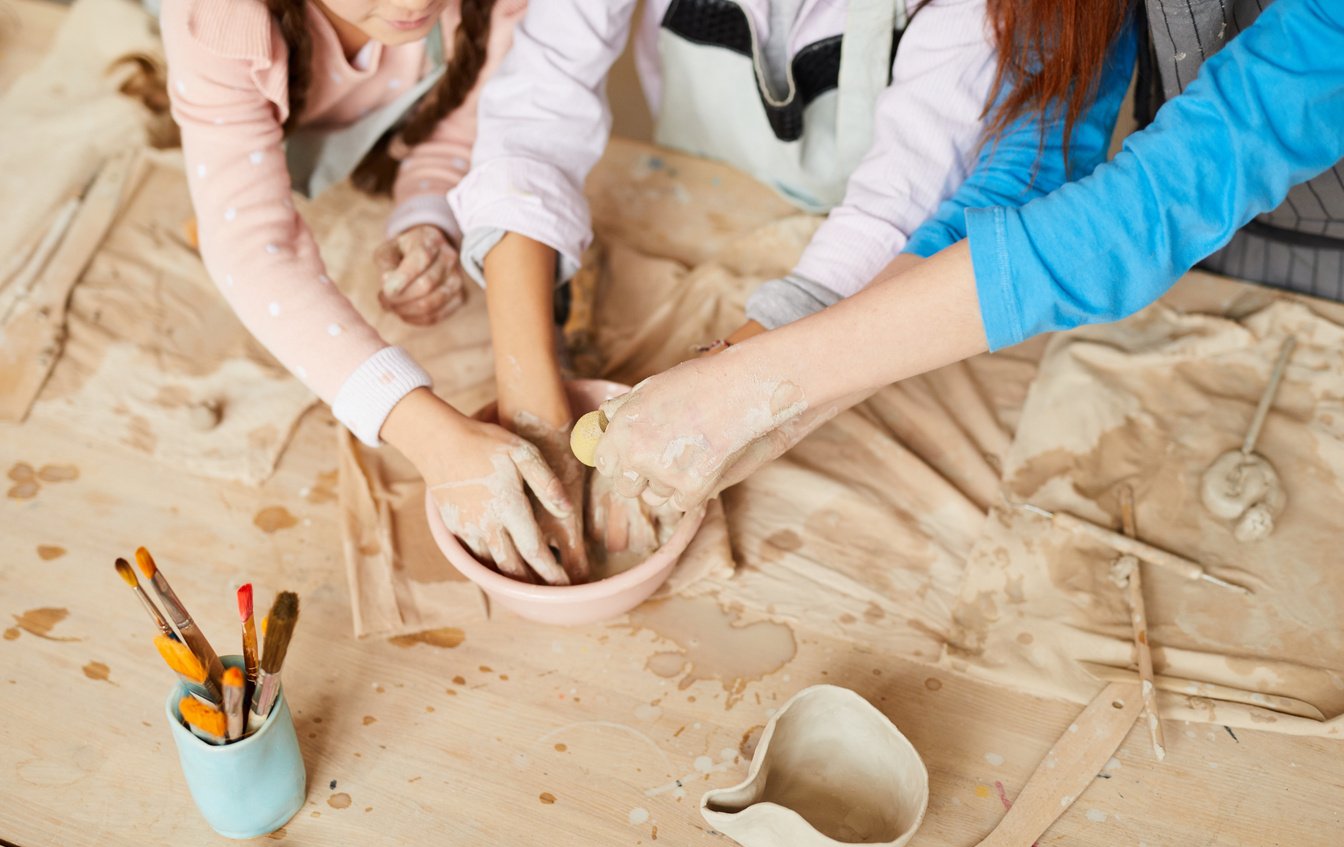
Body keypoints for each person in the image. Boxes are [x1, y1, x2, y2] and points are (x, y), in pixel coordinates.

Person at [448, 0, 1133, 578]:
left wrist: (743, 380)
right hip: (702, 187)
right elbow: (536, 112)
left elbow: (897, 204)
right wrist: (533, 405)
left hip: (871, 255)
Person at [591, 0, 1344, 512]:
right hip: (1193, 249)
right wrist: (784, 404)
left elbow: (1151, 209)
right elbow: (1028, 160)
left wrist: (770, 380)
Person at [162, 0, 597, 586]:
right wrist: (425, 432)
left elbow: (468, 125)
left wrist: (424, 219)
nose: (414, 2)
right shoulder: (214, 21)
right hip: (234, 100)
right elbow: (251, 246)